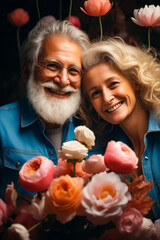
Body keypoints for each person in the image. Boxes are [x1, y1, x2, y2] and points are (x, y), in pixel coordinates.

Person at [0, 19, 105, 199]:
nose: (63, 80)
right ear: (27, 71)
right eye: (52, 66)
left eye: (73, 71)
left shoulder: (101, 125)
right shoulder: (2, 125)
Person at [80, 37, 160, 220]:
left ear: (135, 81)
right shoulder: (105, 157)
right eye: (96, 93)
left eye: (113, 84)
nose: (107, 98)